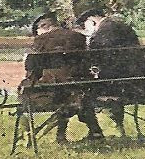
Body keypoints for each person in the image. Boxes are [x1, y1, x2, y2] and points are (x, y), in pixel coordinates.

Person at [23, 12, 104, 144]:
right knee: (73, 92)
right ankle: (93, 131)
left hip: (54, 91)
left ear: (43, 27)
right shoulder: (78, 37)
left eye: (37, 31)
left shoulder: (41, 40)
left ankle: (60, 135)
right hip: (82, 87)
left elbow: (32, 67)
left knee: (48, 89)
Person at [78, 8, 145, 136]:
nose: (86, 28)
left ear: (92, 19)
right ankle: (110, 128)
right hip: (143, 82)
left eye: (85, 24)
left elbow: (93, 58)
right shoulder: (123, 26)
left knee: (84, 92)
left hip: (123, 85)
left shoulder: (102, 32)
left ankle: (107, 130)